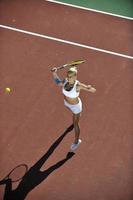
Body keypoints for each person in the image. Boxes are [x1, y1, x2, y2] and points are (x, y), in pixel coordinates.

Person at [51, 66, 96, 151]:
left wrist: (89, 88)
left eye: (70, 77)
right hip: (67, 104)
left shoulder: (78, 85)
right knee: (74, 115)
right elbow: (58, 83)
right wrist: (54, 73)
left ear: (75, 77)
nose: (68, 78)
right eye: (68, 76)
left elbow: (94, 90)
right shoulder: (66, 80)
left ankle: (76, 141)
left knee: (75, 123)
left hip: (76, 107)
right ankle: (77, 116)